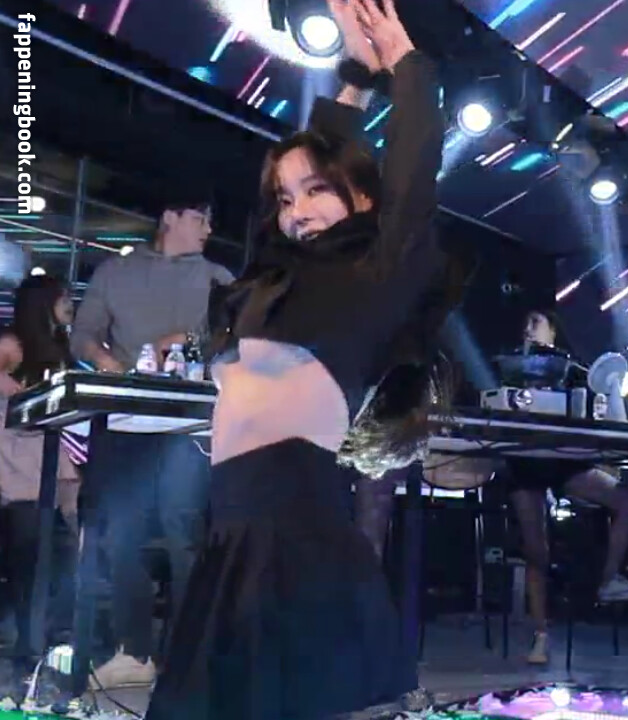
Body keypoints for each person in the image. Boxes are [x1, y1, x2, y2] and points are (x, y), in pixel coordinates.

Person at [145, 1, 473, 717]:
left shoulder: (374, 275)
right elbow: (294, 205)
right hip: (233, 533)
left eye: (317, 190)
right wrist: (353, 78)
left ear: (362, 195)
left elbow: (413, 171)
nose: (297, 210)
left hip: (294, 536)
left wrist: (404, 62)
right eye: (285, 198)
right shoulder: (276, 279)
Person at [70, 199, 233, 688]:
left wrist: (189, 337)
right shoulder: (115, 273)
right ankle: (133, 651)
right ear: (169, 217)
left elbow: (238, 335)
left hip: (189, 426)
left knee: (185, 535)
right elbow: (83, 335)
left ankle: (184, 656)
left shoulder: (217, 278)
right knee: (121, 535)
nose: (208, 228)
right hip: (124, 422)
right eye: (200, 218)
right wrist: (110, 366)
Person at [501, 309, 628, 665]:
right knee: (537, 551)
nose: (529, 330)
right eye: (526, 325)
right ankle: (541, 636)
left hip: (564, 463)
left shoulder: (571, 370)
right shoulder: (510, 367)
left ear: (553, 331)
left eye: (536, 324)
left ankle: (609, 579)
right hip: (525, 465)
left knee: (627, 502)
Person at [0, 275, 80, 673]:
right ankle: (29, 642)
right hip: (16, 457)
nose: (71, 306)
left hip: (48, 456)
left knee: (55, 551)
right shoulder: (12, 344)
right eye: (64, 298)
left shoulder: (58, 347)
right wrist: (21, 395)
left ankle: (45, 640)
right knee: (30, 551)